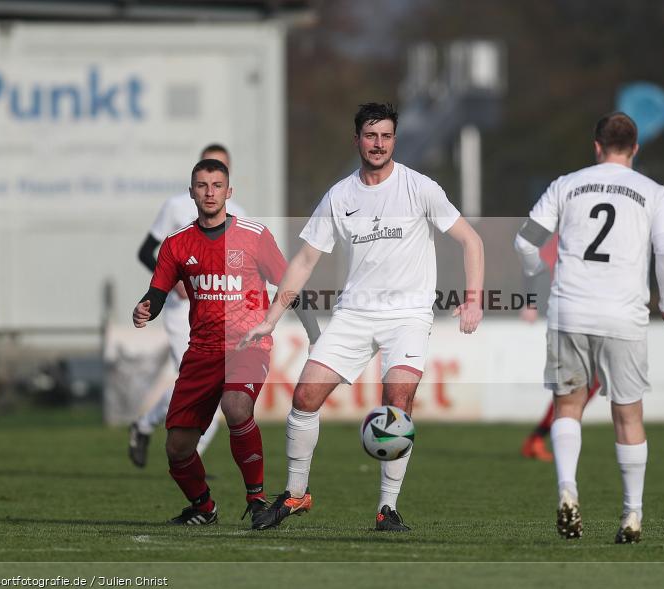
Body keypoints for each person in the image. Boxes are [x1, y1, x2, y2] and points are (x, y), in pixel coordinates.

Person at [243, 102, 485, 532]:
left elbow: (471, 241)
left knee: (397, 403)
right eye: (371, 136)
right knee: (304, 398)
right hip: (354, 314)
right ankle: (296, 494)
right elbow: (304, 261)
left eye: (386, 136)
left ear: (395, 140)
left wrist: (473, 299)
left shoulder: (420, 188)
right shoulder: (339, 196)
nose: (378, 144)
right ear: (357, 140)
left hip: (408, 316)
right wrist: (272, 316)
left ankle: (387, 509)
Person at [514, 112, 664, 544]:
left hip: (569, 311)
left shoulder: (565, 185)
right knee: (628, 416)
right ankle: (632, 514)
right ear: (635, 148)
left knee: (567, 407)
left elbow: (525, 241)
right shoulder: (654, 192)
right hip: (623, 315)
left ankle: (567, 489)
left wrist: (536, 275)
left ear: (596, 146)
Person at [132, 158, 319, 525]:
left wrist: (315, 334)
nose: (210, 193)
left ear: (228, 192)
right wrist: (144, 309)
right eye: (202, 186)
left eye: (217, 186)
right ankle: (204, 509)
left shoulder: (254, 235)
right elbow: (157, 292)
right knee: (177, 448)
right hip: (201, 351)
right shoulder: (176, 243)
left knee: (236, 407)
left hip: (247, 345)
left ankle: (257, 499)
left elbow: (290, 286)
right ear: (191, 193)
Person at [128, 144, 246, 468]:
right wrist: (174, 281)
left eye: (219, 174)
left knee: (209, 392)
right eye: (206, 174)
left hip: (221, 315)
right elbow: (146, 252)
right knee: (199, 388)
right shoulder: (177, 206)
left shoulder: (240, 215)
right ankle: (187, 461)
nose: (210, 188)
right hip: (182, 312)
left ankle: (148, 428)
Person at [519, 233, 600, 463]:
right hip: (570, 314)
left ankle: (543, 435)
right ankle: (544, 436)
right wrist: (530, 303)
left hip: (596, 314)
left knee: (593, 382)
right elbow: (531, 263)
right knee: (574, 385)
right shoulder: (566, 234)